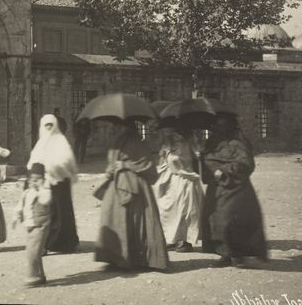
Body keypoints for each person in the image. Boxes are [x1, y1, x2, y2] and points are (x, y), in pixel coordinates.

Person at [95, 119, 168, 271]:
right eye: (115, 125)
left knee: (135, 220)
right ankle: (116, 258)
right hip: (117, 186)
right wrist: (111, 169)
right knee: (113, 218)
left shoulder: (137, 142)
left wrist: (126, 165)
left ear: (127, 127)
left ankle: (137, 259)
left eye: (118, 125)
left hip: (135, 187)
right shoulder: (117, 141)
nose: (114, 128)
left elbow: (147, 164)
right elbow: (113, 161)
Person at [201, 113, 268, 267]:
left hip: (235, 189)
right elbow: (207, 159)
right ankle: (225, 254)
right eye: (215, 126)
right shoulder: (213, 141)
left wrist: (225, 170)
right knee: (215, 220)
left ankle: (238, 255)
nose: (217, 129)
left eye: (221, 125)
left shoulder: (238, 142)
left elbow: (246, 163)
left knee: (230, 220)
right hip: (216, 188)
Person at [27, 114, 79, 253]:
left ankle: (65, 243)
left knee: (61, 212)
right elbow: (33, 162)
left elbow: (68, 161)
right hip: (44, 183)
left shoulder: (61, 141)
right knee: (45, 214)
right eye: (46, 125)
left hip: (60, 183)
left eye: (51, 125)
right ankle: (45, 244)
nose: (49, 128)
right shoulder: (40, 143)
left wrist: (56, 167)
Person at [153, 119, 204, 252]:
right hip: (170, 179)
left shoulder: (183, 143)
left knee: (183, 210)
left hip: (183, 179)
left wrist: (170, 157)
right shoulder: (168, 143)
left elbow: (182, 162)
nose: (163, 132)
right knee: (167, 209)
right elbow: (163, 163)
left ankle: (184, 241)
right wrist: (163, 156)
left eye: (166, 129)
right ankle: (171, 238)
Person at [13, 163, 53, 287]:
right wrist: (16, 216)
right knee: (35, 251)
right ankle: (40, 275)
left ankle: (33, 276)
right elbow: (20, 205)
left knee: (32, 252)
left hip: (41, 225)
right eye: (32, 179)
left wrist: (41, 188)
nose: (34, 182)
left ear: (44, 180)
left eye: (38, 179)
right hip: (30, 225)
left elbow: (45, 201)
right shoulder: (27, 192)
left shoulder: (45, 192)